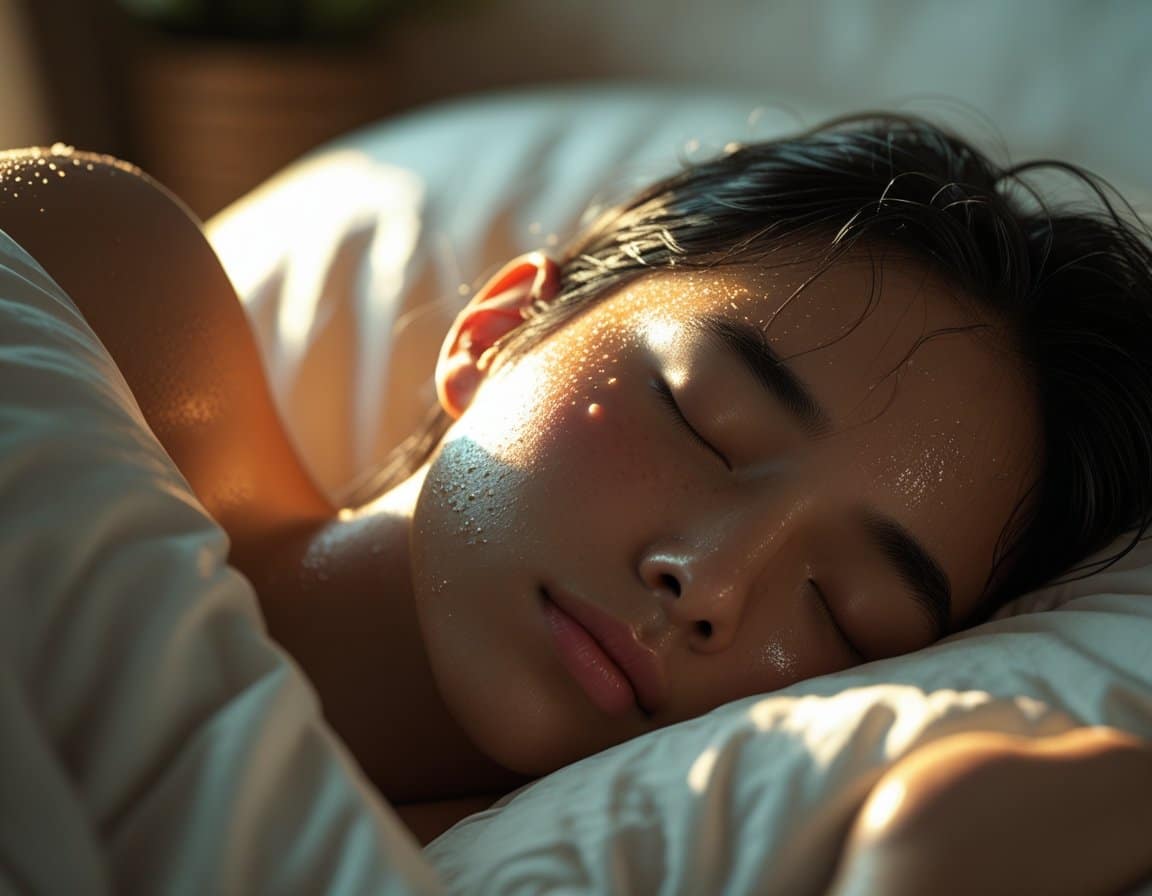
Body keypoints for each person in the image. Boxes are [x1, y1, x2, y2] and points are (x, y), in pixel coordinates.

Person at [2, 113, 1151, 887]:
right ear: (500, 329)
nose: (707, 580)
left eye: (845, 609)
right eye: (705, 419)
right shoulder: (104, 285)